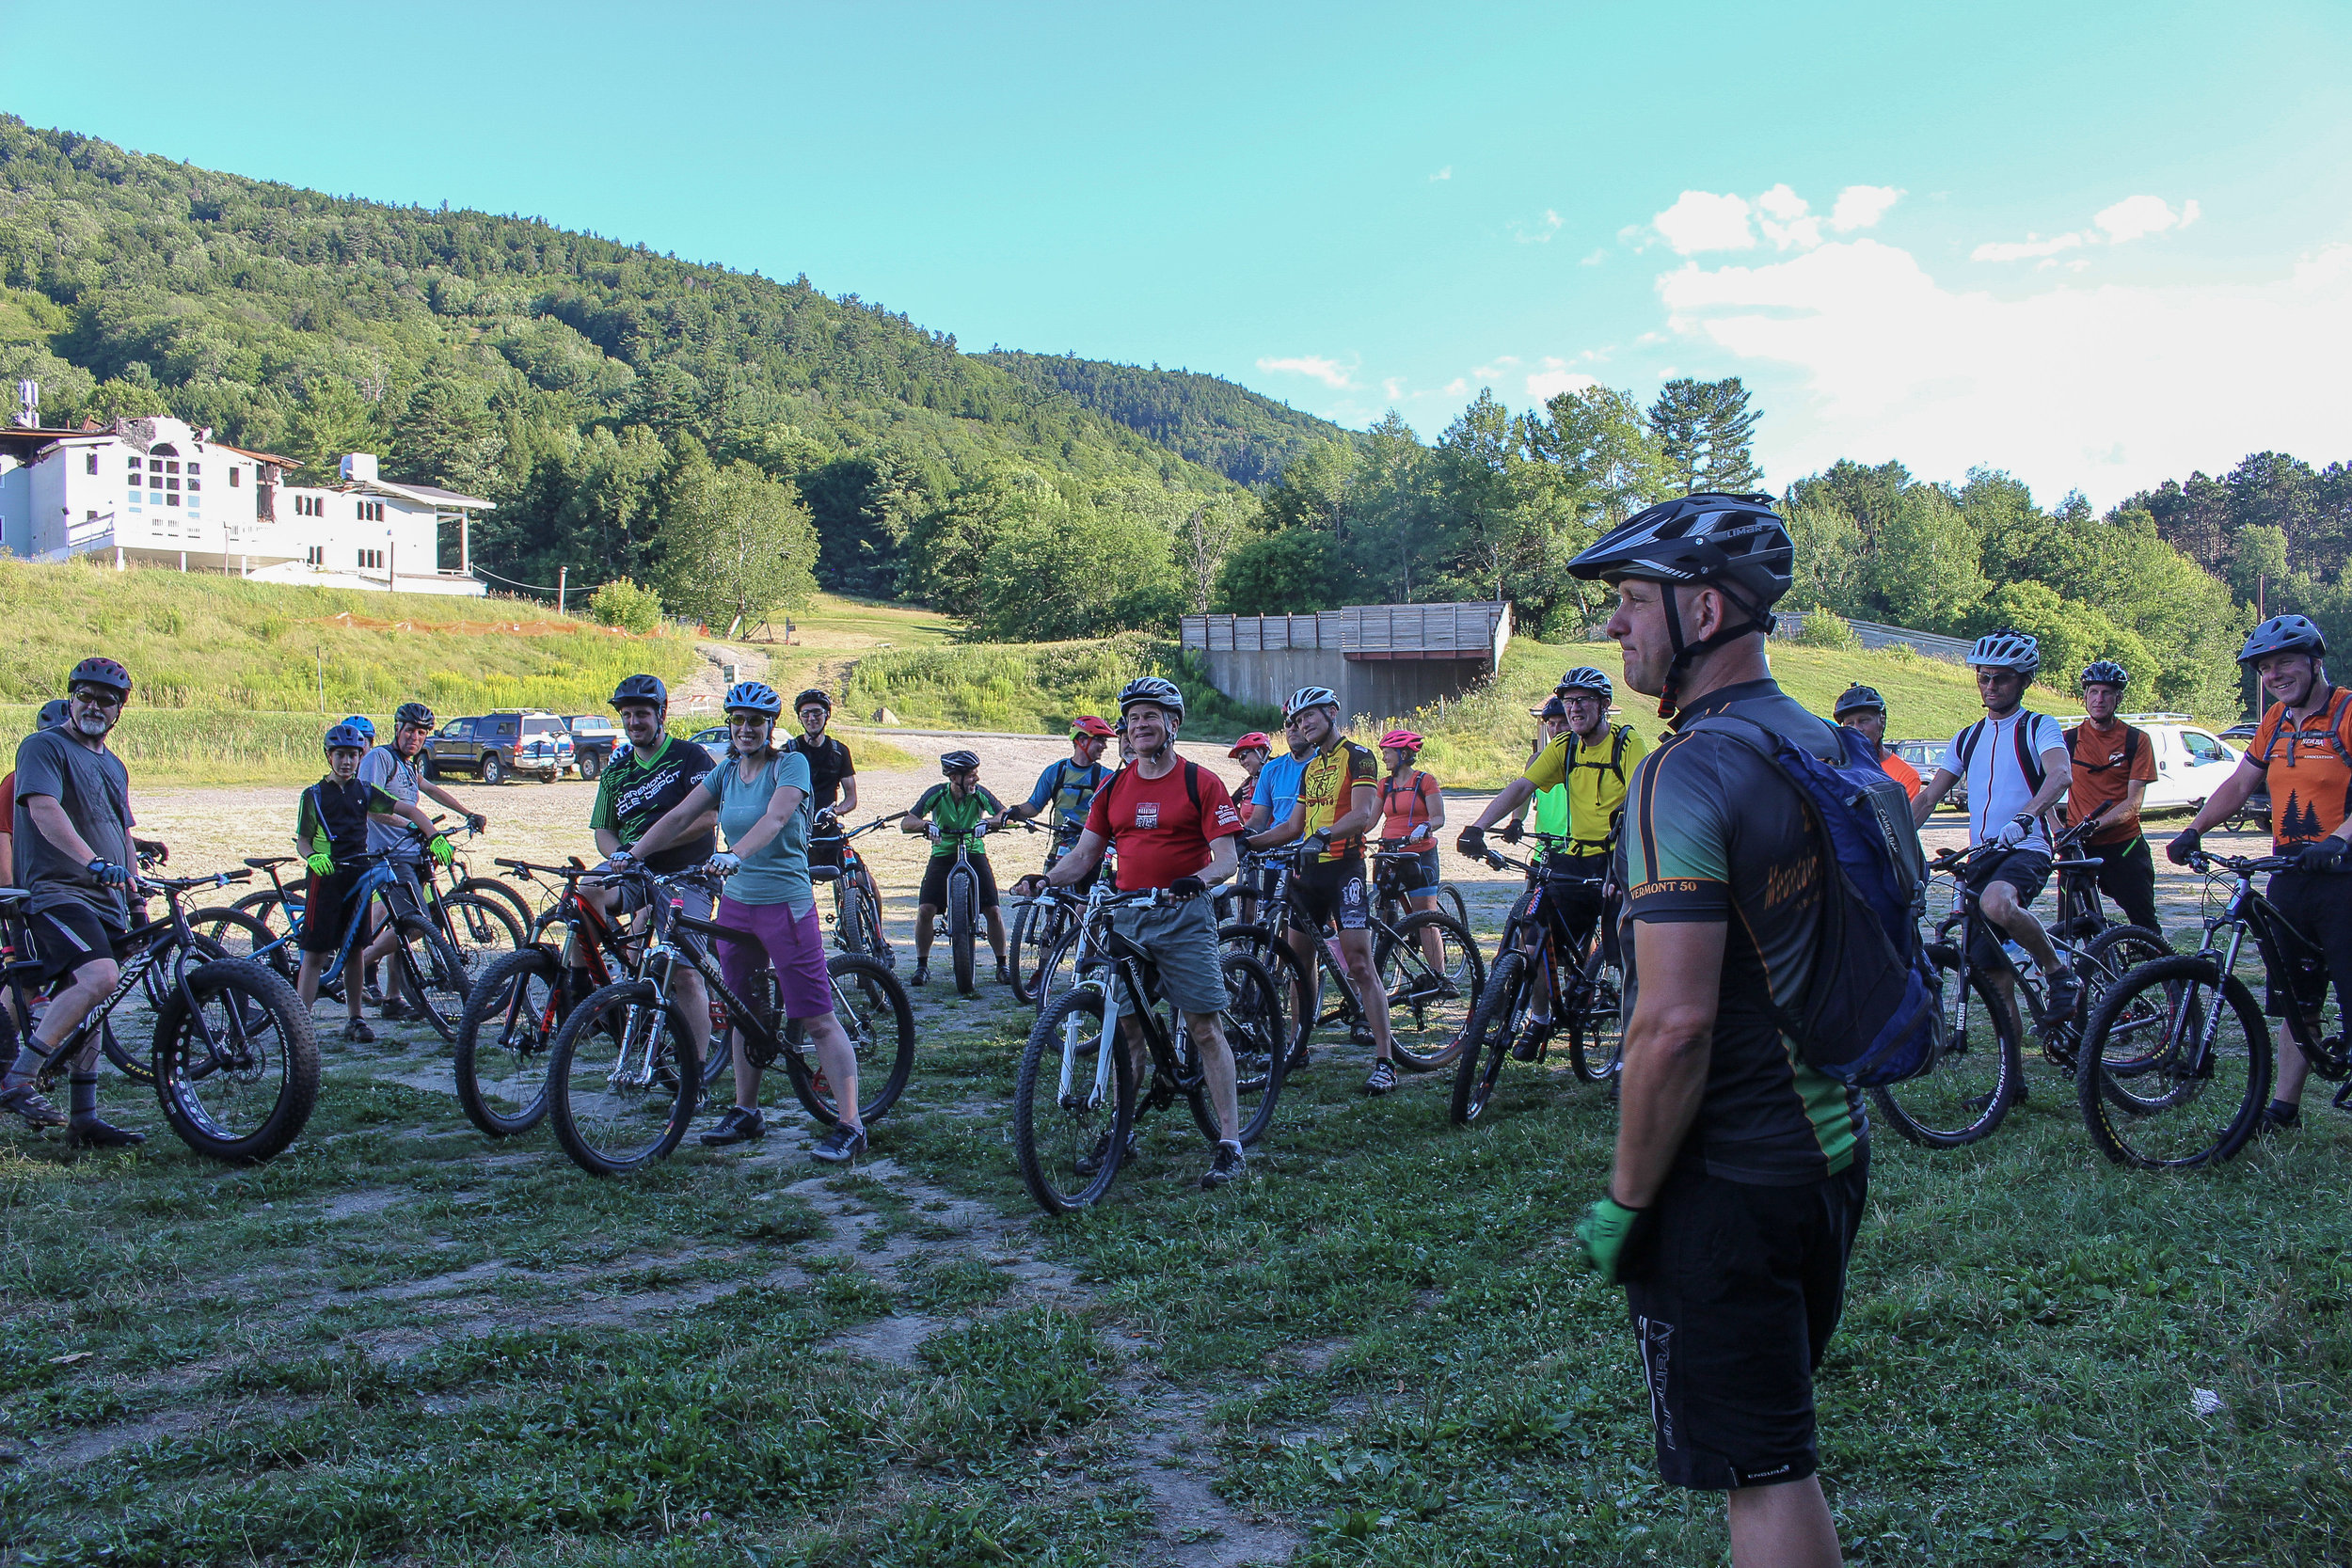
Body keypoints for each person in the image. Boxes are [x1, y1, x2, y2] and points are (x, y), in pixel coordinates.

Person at [1560, 494, 1880, 1568]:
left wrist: (1625, 1201)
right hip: (1830, 1154)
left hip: (1728, 1180)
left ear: (1701, 607)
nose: (1614, 626)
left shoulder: (1682, 769)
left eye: (1630, 601)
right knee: (1778, 1441)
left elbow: (1672, 1023)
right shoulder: (1823, 743)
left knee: (1762, 1470)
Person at [613, 680, 869, 1163]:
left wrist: (736, 854)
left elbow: (776, 818)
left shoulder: (789, 763)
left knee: (815, 1016)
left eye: (756, 721)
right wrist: (630, 855)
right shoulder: (727, 771)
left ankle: (851, 1122)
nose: (746, 729)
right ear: (730, 725)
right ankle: (746, 1110)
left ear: (771, 726)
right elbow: (678, 816)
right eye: (738, 721)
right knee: (742, 1012)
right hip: (737, 906)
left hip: (785, 905)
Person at [1012, 676, 1249, 1189]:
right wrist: (1044, 880)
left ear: (1172, 724)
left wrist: (1196, 880)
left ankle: (1229, 1141)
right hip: (1127, 919)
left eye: (1151, 716)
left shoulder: (1200, 782)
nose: (1140, 725)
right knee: (1128, 1031)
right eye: (1133, 718)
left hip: (1183, 918)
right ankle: (1124, 1130)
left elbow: (1227, 858)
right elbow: (1083, 856)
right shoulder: (1114, 787)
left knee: (1205, 1028)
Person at [2166, 614, 2352, 1133]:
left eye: (2285, 663)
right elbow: (2240, 782)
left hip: (2345, 873)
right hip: (2291, 874)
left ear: (2315, 663)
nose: (2275, 675)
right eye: (2266, 668)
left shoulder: (2348, 713)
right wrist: (2194, 830)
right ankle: (2284, 1109)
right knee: (2297, 994)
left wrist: (2339, 839)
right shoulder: (2274, 721)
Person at [0, 658, 157, 1145]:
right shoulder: (44, 747)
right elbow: (44, 810)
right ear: (71, 698)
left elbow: (122, 832)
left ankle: (84, 1119)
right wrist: (91, 863)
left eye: (105, 699)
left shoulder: (113, 764)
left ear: (118, 710)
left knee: (96, 1000)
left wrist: (133, 889)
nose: (94, 705)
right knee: (99, 976)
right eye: (85, 695)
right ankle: (18, 1079)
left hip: (108, 898)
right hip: (58, 891)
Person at [1460, 666, 1649, 1053]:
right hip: (1574, 858)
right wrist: (1477, 827)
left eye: (1582, 701)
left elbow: (1643, 806)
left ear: (1604, 706)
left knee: (1627, 956)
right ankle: (1541, 1018)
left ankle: (1631, 1053)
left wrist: (1627, 867)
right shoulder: (1564, 748)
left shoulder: (1627, 746)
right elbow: (1522, 787)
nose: (1574, 708)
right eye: (1568, 701)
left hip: (1618, 858)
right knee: (1535, 939)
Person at [1910, 630, 2082, 1024]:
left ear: (2024, 680)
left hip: (2027, 847)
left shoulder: (2040, 726)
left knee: (1997, 903)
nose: (1990, 686)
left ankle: (2058, 973)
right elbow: (1927, 798)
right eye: (1983, 676)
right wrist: (1892, 838)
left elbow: (2060, 776)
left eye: (2001, 677)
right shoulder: (1968, 737)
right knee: (1995, 979)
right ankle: (2013, 1082)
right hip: (1982, 856)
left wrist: (2026, 817)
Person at [1244, 686, 1402, 1095]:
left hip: (1344, 869)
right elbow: (1292, 827)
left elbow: (1365, 814)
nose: (1303, 724)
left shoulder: (1359, 756)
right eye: (1297, 720)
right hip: (1306, 873)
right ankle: (1299, 1047)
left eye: (1310, 715)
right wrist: (1246, 841)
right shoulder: (1311, 768)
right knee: (1299, 966)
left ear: (1332, 712)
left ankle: (1385, 1061)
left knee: (1361, 965)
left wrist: (1326, 833)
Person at [583, 674, 715, 1067]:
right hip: (636, 873)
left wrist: (642, 850)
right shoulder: (616, 771)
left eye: (642, 713)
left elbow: (707, 816)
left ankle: (697, 1071)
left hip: (686, 875)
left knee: (686, 975)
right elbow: (604, 831)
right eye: (626, 715)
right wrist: (622, 856)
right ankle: (596, 987)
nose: (634, 722)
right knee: (586, 889)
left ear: (661, 714)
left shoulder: (691, 757)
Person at [294, 723, 441, 1043]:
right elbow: (303, 841)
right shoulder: (314, 796)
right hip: (326, 879)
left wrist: (434, 835)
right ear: (328, 756)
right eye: (340, 755)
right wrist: (311, 857)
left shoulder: (364, 792)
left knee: (356, 951)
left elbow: (409, 810)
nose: (347, 762)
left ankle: (356, 1018)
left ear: (361, 757)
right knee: (315, 953)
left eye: (353, 755)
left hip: (358, 878)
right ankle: (300, 1024)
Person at [358, 701, 487, 1021]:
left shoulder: (409, 765)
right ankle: (360, 962)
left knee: (405, 925)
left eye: (422, 733)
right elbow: (368, 806)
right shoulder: (379, 758)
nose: (415, 737)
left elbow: (431, 789)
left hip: (412, 854)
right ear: (397, 729)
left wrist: (467, 812)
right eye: (410, 730)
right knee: (415, 925)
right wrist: (414, 825)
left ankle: (393, 997)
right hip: (387, 856)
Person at [2063, 660, 2160, 934]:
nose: (2099, 699)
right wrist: (2059, 829)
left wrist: (2096, 824)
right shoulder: (2068, 740)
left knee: (2146, 925)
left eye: (2107, 693)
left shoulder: (2136, 740)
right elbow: (2046, 789)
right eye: (2093, 692)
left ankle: (2168, 975)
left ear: (2118, 698)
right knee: (2074, 926)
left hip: (2123, 844)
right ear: (2084, 697)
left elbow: (2133, 804)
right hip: (2078, 847)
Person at [902, 750, 1009, 985]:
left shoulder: (979, 794)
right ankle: (922, 965)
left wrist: (988, 822)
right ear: (954, 777)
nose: (976, 779)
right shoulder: (937, 794)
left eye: (975, 774)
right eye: (971, 775)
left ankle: (1002, 964)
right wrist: (926, 826)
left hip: (974, 851)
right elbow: (907, 821)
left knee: (993, 910)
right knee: (925, 910)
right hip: (943, 852)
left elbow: (1005, 815)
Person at [994, 716, 1114, 880]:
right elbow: (1034, 806)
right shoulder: (1056, 772)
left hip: (1090, 854)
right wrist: (1016, 810)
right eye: (1099, 740)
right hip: (1059, 849)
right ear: (1082, 740)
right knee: (1047, 893)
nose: (1104, 746)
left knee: (1086, 903)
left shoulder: (1106, 777)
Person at [1375, 729, 1449, 971]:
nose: (1384, 758)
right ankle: (1388, 967)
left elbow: (1438, 817)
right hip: (1389, 851)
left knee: (1425, 918)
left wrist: (1425, 827)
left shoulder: (1425, 781)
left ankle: (1440, 976)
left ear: (1403, 753)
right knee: (1384, 912)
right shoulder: (1384, 785)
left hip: (1419, 852)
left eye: (1387, 753)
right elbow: (1370, 819)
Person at [0, 700, 74, 887]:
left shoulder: (77, 779)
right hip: (36, 883)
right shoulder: (17, 780)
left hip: (72, 881)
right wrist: (7, 888)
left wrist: (137, 844)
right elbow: (2, 833)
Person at [1833, 685, 1920, 800]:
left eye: (1864, 720)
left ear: (1882, 722)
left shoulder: (1905, 775)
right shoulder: (1835, 767)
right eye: (1850, 723)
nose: (1857, 728)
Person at [1227, 731, 1274, 922]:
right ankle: (1240, 945)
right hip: (1250, 851)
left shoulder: (1274, 775)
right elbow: (1231, 812)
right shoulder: (1248, 783)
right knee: (1246, 907)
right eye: (1239, 758)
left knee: (1271, 908)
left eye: (1245, 755)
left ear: (1261, 752)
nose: (1242, 761)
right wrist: (1236, 797)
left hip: (1272, 849)